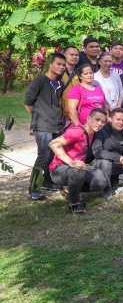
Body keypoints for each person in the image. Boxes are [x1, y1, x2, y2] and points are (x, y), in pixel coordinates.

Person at [49, 108, 113, 214]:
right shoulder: (77, 132)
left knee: (101, 182)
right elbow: (53, 144)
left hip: (78, 167)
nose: (100, 124)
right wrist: (71, 162)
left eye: (102, 122)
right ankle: (74, 204)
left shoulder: (92, 133)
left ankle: (71, 190)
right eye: (97, 119)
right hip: (58, 169)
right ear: (88, 118)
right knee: (78, 170)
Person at [24, 52, 66, 199]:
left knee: (53, 155)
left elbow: (55, 102)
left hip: (57, 125)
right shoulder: (39, 81)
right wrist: (38, 119)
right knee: (43, 156)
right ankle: (33, 188)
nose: (61, 67)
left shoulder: (59, 83)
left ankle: (47, 181)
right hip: (42, 126)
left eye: (63, 65)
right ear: (50, 64)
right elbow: (28, 103)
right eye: (58, 64)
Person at [90, 107, 123, 187]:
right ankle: (106, 186)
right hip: (100, 162)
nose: (121, 122)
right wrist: (119, 158)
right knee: (105, 164)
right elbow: (97, 152)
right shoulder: (101, 131)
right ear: (110, 119)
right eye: (118, 119)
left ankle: (110, 180)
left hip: (116, 164)